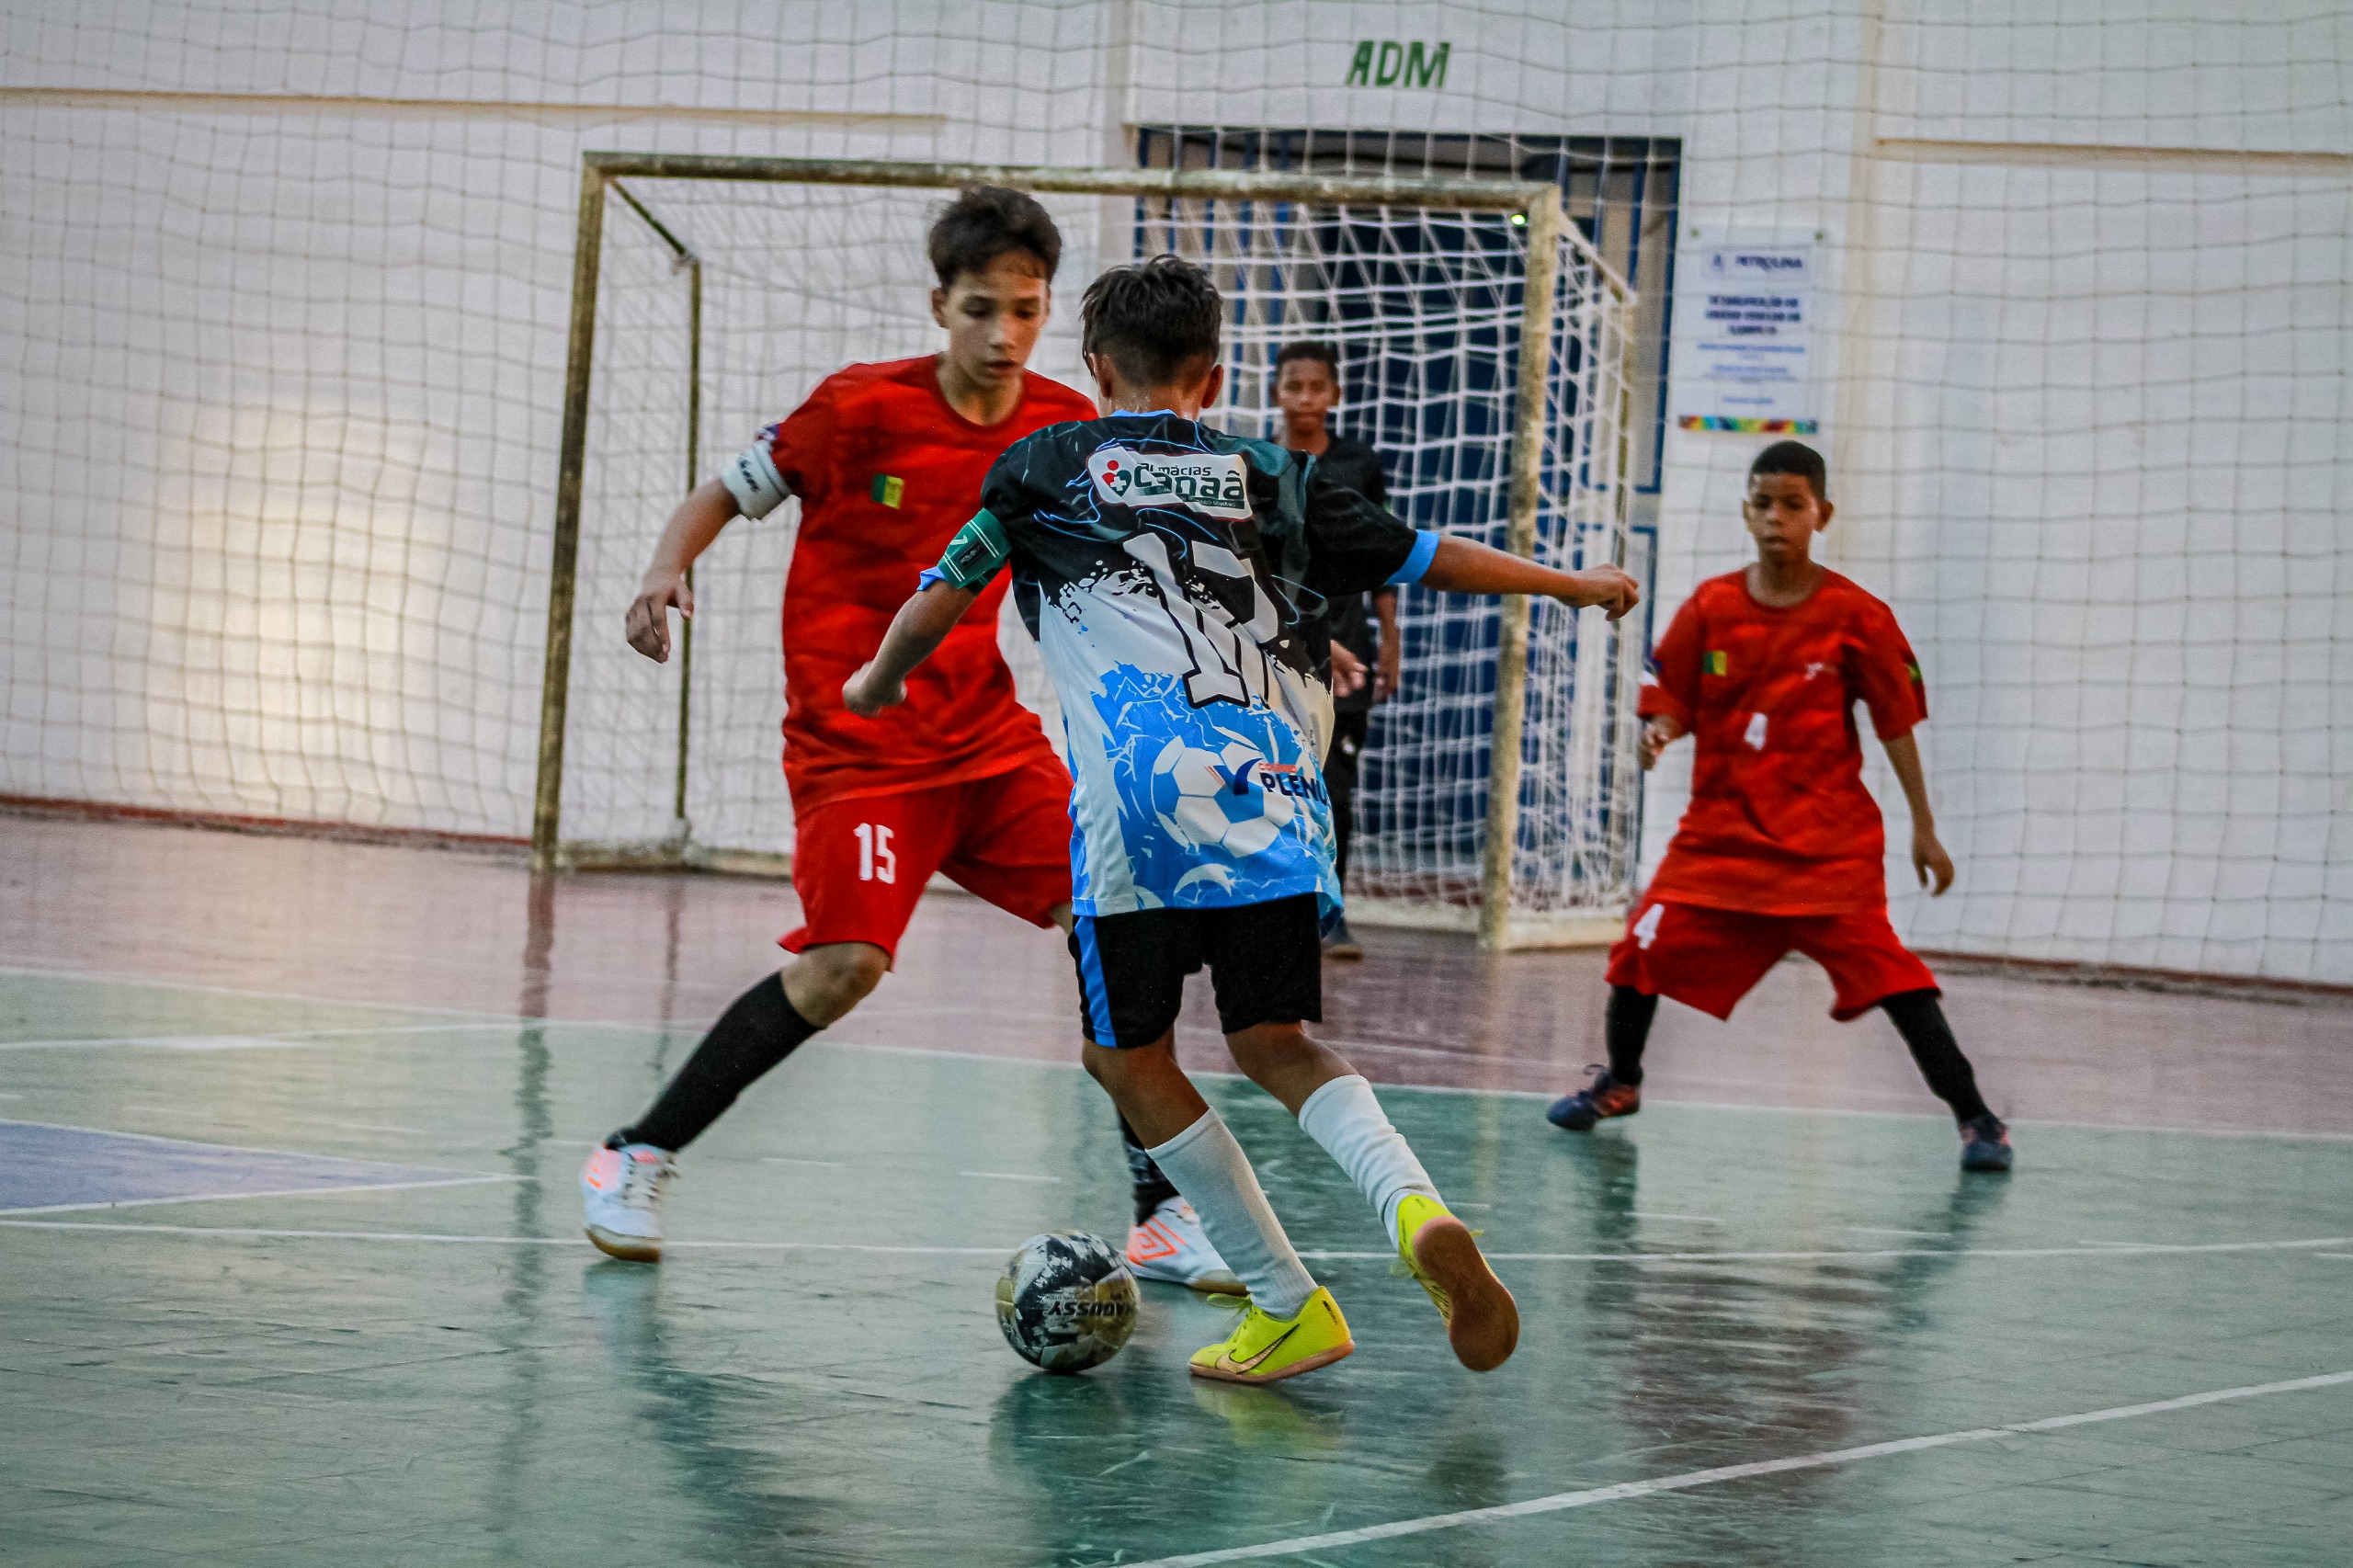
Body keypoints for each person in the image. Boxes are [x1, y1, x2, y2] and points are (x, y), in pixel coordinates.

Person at [845, 255, 1642, 1382]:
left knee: (1124, 1054)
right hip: (1277, 804)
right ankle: (1414, 1208)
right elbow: (1426, 558)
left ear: (1091, 367)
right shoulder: (1274, 472)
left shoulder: (1041, 466)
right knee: (1275, 1040)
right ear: (1210, 379)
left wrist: (875, 681)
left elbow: (943, 592)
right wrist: (1569, 584)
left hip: (1139, 814)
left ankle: (1284, 1298)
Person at [576, 187, 1235, 1287]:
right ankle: (638, 1151)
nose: (1002, 335)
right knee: (843, 967)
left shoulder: (1059, 427)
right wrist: (661, 570)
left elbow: (1168, 529)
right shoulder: (856, 410)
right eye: (980, 308)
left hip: (987, 742)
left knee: (1116, 918)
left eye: (1025, 311)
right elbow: (721, 495)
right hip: (858, 751)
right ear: (940, 303)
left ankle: (1161, 1211)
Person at [1544, 440, 2012, 1173]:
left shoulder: (1860, 617)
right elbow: (1671, 701)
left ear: (1821, 513)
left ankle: (1979, 1120)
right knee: (1640, 948)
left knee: (1896, 981)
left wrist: (1925, 828)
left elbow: (1896, 726)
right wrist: (1660, 730)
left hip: (1826, 851)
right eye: (1763, 503)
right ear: (1745, 510)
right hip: (1720, 844)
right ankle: (1621, 1082)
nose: (1776, 518)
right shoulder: (1711, 607)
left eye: (1793, 505)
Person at [1272, 340, 1400, 960]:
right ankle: (1254, 912)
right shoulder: (1257, 462)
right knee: (1262, 781)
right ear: (1276, 391)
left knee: (1334, 788)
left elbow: (1382, 555)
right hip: (1271, 654)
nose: (1305, 398)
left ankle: (1332, 913)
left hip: (1346, 652)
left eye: (1315, 386)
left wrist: (1390, 641)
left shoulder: (1358, 466)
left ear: (1335, 395)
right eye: (1294, 385)